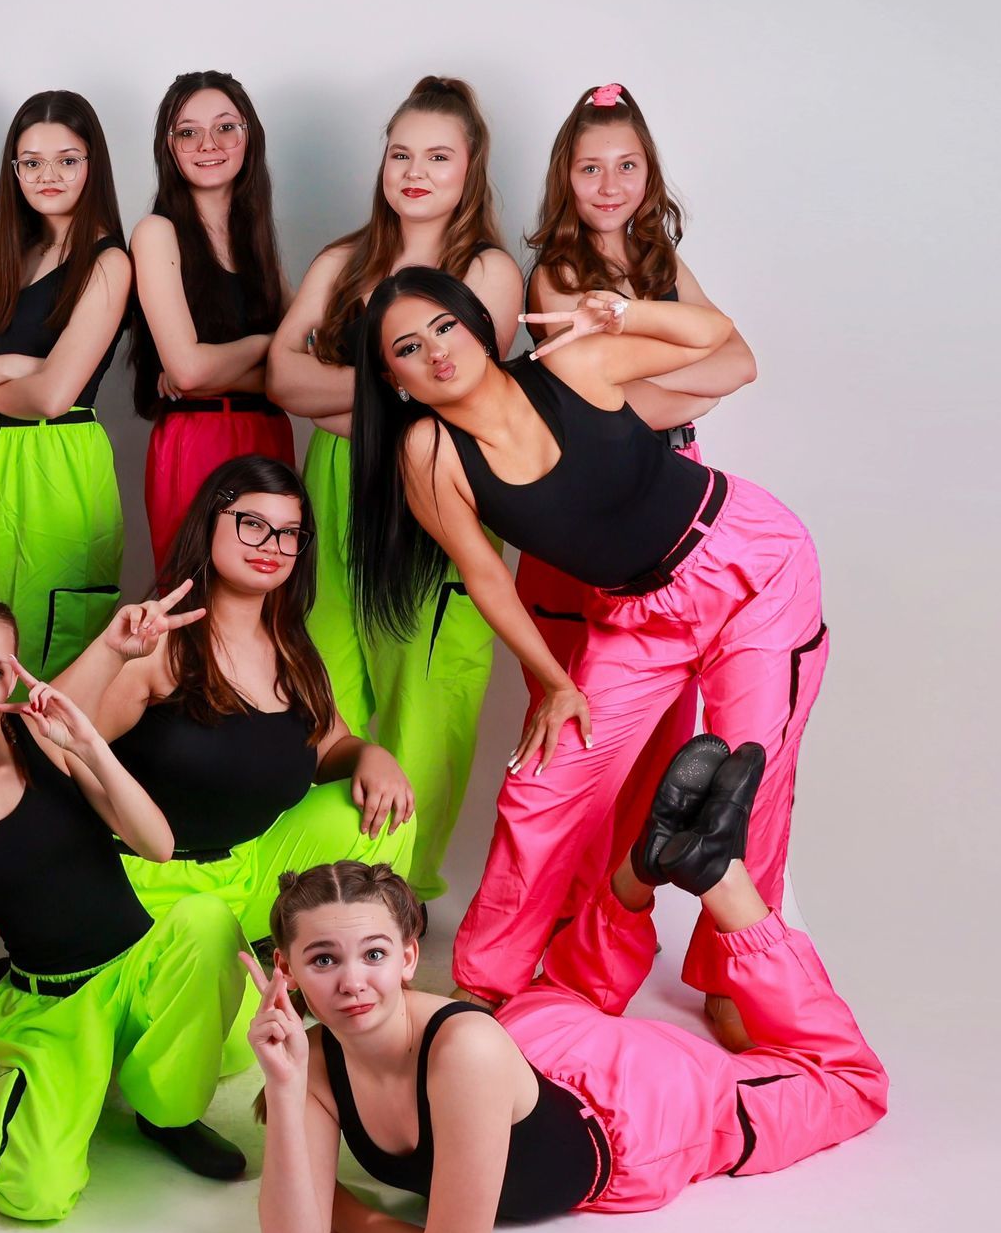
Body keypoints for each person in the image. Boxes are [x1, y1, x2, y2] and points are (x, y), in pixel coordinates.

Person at [349, 266, 826, 1026]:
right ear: (391, 376)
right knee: (544, 785)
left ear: (478, 323)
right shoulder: (428, 451)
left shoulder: (569, 362)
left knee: (748, 777)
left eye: (445, 327)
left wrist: (619, 315)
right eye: (409, 348)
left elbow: (717, 338)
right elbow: (487, 579)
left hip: (749, 567)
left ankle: (735, 977)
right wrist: (555, 682)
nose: (437, 352)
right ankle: (486, 986)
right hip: (636, 615)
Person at [246, 738, 886, 1233]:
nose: (353, 982)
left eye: (375, 954)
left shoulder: (464, 1050)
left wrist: (342, 1207)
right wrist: (281, 1084)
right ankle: (645, 864)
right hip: (530, 1034)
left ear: (410, 957)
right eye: (324, 959)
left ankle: (720, 876)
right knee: (572, 989)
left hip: (631, 1108)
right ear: (288, 969)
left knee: (852, 1084)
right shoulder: (312, 1060)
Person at [0, 592, 247, 1221]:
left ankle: (167, 1117)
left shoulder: (38, 737)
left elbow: (156, 845)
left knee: (208, 919)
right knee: (34, 1195)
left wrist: (85, 743)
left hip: (142, 972)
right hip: (55, 1008)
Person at [55, 455, 418, 1068]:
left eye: (288, 534)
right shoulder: (160, 645)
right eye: (252, 524)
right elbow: (52, 736)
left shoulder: (292, 645)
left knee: (382, 810)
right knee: (232, 1057)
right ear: (211, 524)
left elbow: (330, 746)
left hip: (247, 868)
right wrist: (110, 653)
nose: (270, 546)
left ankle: (323, 961)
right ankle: (180, 979)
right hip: (153, 884)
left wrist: (372, 753)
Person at [266, 76, 523, 909]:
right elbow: (280, 377)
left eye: (437, 155)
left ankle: (398, 898)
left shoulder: (484, 267)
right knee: (319, 688)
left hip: (428, 496)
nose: (415, 171)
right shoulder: (343, 260)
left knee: (426, 701)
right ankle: (311, 895)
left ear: (470, 165)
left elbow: (454, 392)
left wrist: (349, 394)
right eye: (401, 152)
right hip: (331, 499)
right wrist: (390, 392)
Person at [518, 82, 760, 942]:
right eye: (591, 168)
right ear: (566, 176)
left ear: (649, 172)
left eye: (627, 165)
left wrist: (642, 373)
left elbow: (739, 361)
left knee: (671, 724)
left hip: (678, 507)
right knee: (585, 727)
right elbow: (614, 416)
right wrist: (673, 375)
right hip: (592, 517)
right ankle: (552, 919)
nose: (610, 184)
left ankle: (618, 918)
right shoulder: (556, 272)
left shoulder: (657, 261)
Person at [0, 91, 132, 679]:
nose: (49, 175)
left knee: (50, 652)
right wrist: (15, 366)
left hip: (57, 458)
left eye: (67, 159)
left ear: (93, 165)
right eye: (31, 162)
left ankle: (53, 771)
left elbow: (51, 397)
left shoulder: (108, 261)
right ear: (14, 172)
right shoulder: (5, 262)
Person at [128, 71, 293, 568]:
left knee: (269, 602)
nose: (208, 144)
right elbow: (189, 373)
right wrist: (270, 345)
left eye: (226, 127)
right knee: (193, 600)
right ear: (169, 146)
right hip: (197, 441)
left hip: (269, 437)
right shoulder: (157, 232)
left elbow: (307, 357)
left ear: (249, 137)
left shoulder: (258, 238)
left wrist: (225, 366)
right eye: (187, 131)